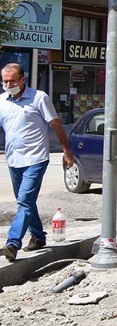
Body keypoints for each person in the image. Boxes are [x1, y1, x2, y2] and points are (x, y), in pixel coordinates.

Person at [0, 63, 73, 262]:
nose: (8, 84)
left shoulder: (39, 98)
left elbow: (56, 125)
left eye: (12, 81)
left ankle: (13, 243)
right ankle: (39, 237)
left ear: (23, 80)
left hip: (36, 159)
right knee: (26, 202)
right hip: (13, 160)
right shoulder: (2, 101)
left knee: (24, 201)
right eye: (5, 81)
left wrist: (67, 150)